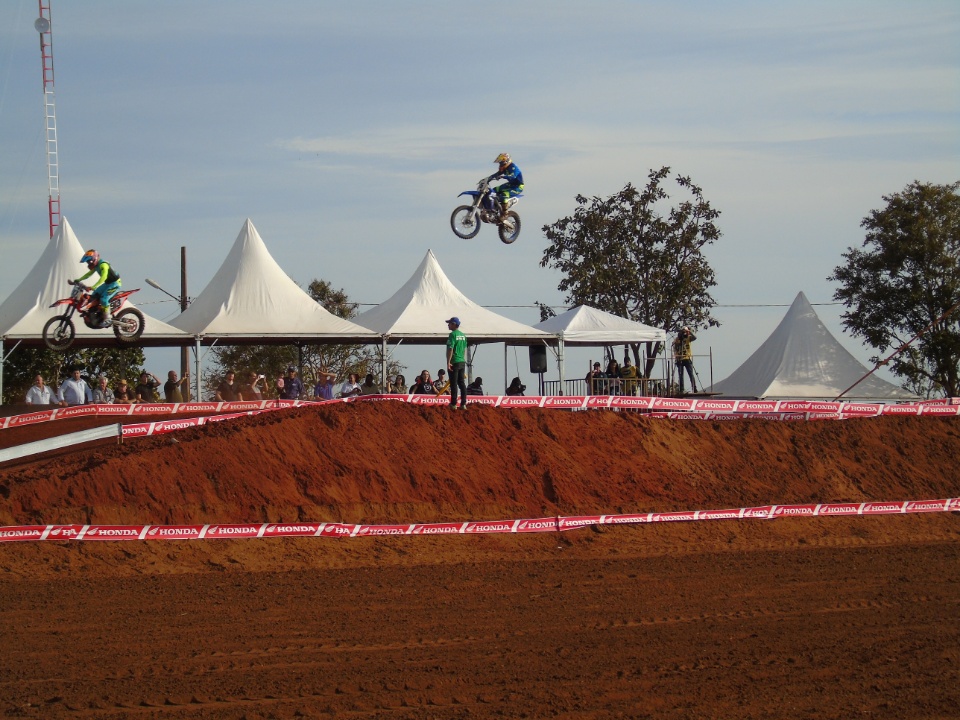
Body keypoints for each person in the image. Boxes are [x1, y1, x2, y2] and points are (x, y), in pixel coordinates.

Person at [70, 249, 121, 327]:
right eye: (87, 262)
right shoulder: (96, 266)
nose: (88, 264)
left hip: (115, 284)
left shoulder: (103, 265)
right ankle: (99, 313)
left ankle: (108, 319)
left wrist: (94, 286)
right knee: (94, 296)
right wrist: (79, 280)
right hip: (108, 284)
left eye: (89, 261)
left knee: (104, 299)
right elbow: (88, 274)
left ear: (94, 259)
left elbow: (103, 277)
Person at [487, 153, 524, 219]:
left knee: (504, 195)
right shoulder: (505, 168)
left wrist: (504, 176)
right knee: (493, 190)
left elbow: (513, 176)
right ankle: (494, 208)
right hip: (510, 185)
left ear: (506, 161)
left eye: (501, 163)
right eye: (500, 163)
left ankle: (505, 213)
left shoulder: (513, 167)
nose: (500, 165)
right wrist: (487, 179)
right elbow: (496, 174)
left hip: (518, 186)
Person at [445, 317, 468, 409]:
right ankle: (463, 403)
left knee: (454, 383)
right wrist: (462, 358)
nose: (448, 325)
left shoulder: (452, 335)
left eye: (450, 323)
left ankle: (453, 403)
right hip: (462, 361)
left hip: (454, 361)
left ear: (454, 324)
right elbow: (464, 349)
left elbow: (450, 348)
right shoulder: (463, 335)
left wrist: (448, 362)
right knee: (461, 383)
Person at [673, 326, 698, 394]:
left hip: (687, 358)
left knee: (690, 373)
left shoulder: (688, 338)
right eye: (683, 331)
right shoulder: (677, 339)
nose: (684, 333)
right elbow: (674, 347)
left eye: (685, 331)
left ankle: (694, 388)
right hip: (680, 358)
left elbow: (695, 337)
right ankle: (681, 389)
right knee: (680, 375)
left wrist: (689, 332)